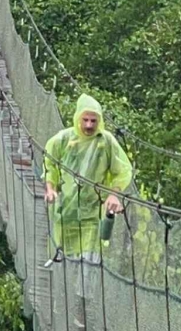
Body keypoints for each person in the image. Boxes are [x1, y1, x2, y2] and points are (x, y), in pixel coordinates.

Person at [43, 93, 132, 265]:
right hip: (65, 213)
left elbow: (123, 171)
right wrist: (50, 188)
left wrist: (114, 194)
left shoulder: (106, 142)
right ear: (78, 118)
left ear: (100, 121)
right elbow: (49, 163)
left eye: (93, 121)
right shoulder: (63, 139)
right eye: (85, 120)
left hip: (93, 215)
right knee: (65, 265)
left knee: (89, 268)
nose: (89, 125)